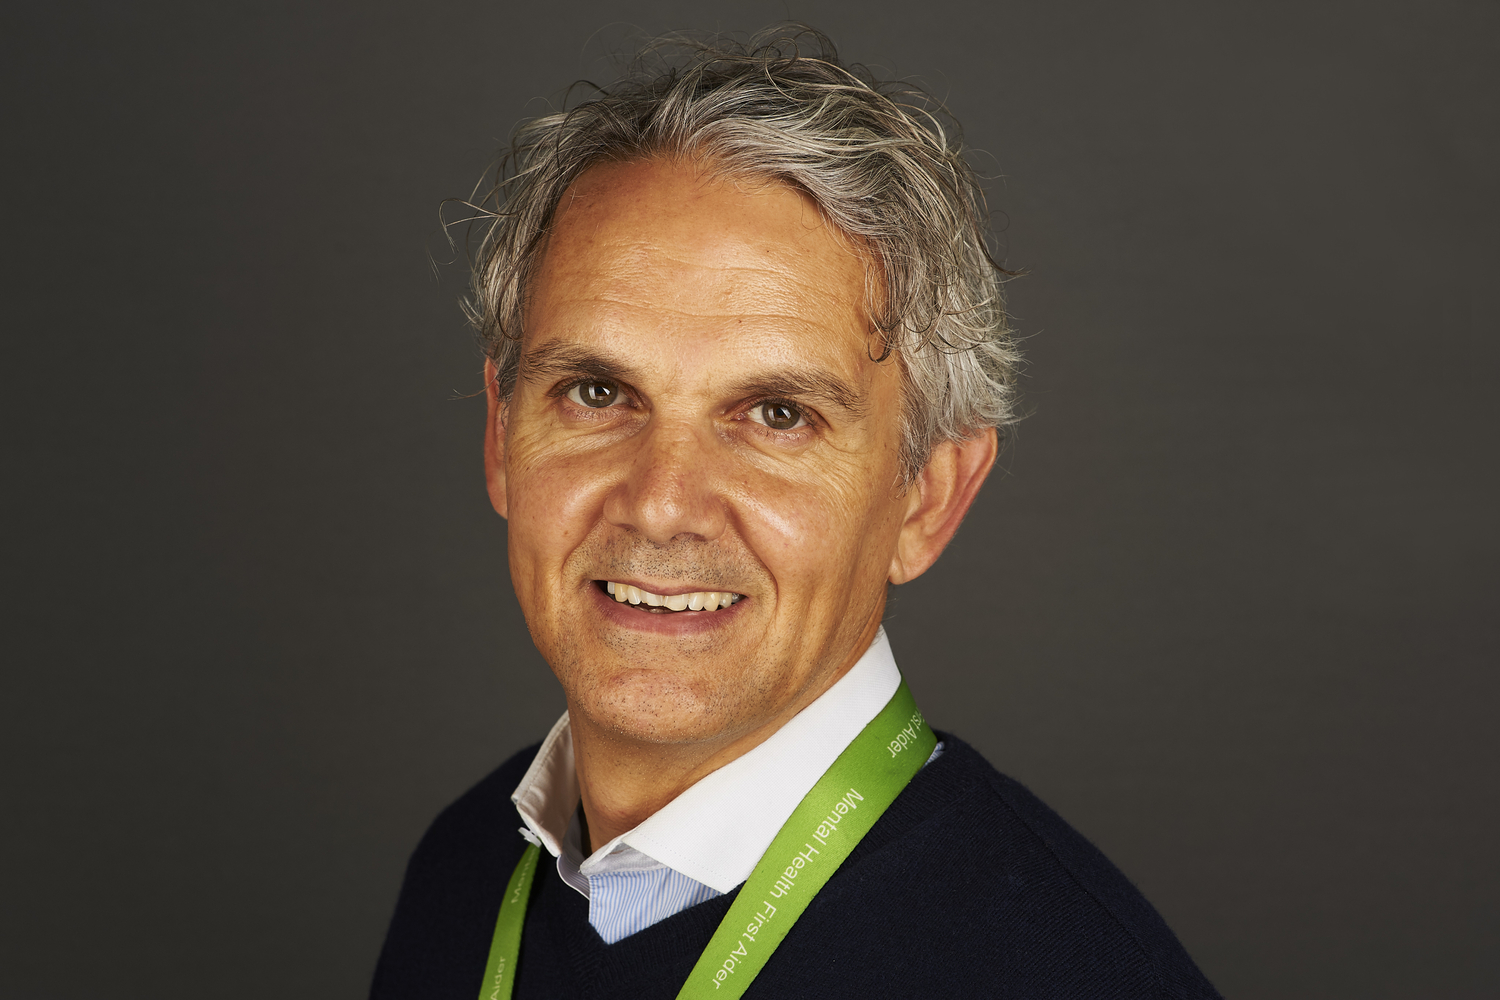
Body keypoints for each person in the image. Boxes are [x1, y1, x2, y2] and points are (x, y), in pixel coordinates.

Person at [371, 26, 1221, 1000]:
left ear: (928, 497)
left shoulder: (1065, 974)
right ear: (500, 435)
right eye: (597, 394)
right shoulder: (464, 873)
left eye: (777, 415)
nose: (661, 503)